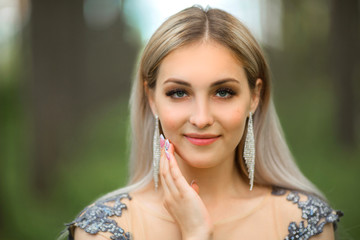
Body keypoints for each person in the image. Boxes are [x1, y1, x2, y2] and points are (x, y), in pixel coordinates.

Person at [62, 6, 343, 240]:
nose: (201, 118)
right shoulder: (102, 230)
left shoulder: (307, 222)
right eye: (179, 93)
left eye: (223, 92)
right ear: (152, 98)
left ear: (254, 96)